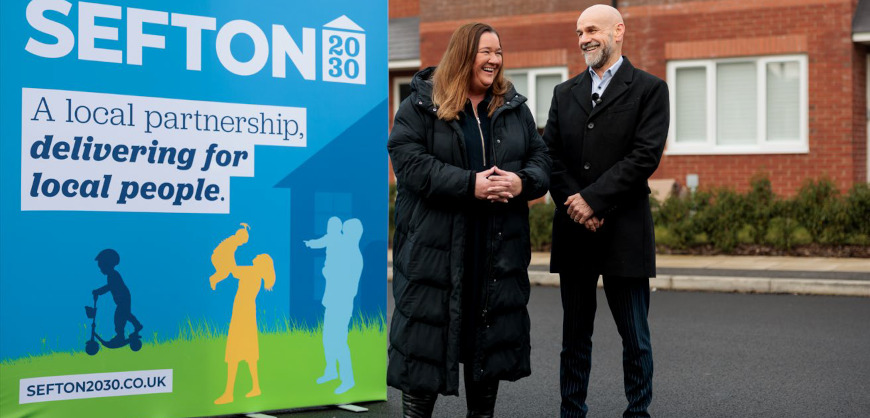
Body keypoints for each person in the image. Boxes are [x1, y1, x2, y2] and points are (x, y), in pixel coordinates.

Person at [387, 22, 551, 418]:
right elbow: (410, 163)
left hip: (496, 253)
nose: (495, 60)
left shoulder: (513, 108)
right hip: (435, 254)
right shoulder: (421, 104)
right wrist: (469, 184)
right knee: (424, 349)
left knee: (488, 351)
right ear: (463, 55)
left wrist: (521, 181)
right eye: (486, 52)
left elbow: (542, 161)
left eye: (499, 52)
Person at [542, 5, 669, 418]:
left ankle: (638, 412)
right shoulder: (564, 93)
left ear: (618, 31)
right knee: (574, 339)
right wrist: (577, 204)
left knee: (636, 338)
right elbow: (550, 156)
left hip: (624, 232)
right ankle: (571, 411)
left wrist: (594, 200)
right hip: (575, 232)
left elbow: (644, 156)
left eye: (592, 30)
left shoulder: (650, 89)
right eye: (580, 32)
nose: (584, 39)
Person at [305, 217, 365, 394]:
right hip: (333, 301)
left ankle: (348, 379)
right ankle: (331, 371)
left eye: (344, 232)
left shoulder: (353, 255)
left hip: (341, 304)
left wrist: (327, 271)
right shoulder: (346, 250)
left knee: (339, 340)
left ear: (352, 234)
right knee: (328, 337)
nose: (341, 235)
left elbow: (342, 280)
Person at [213, 252, 276, 404]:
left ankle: (229, 393)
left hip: (241, 316)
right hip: (248, 315)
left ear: (260, 263)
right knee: (250, 355)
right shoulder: (256, 275)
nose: (255, 257)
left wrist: (230, 250)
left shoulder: (251, 272)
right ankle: (256, 387)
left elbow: (233, 269)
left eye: (258, 257)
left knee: (233, 355)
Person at [93, 249, 142, 345]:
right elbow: (110, 287)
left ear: (108, 265)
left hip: (123, 299)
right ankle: (136, 326)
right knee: (125, 315)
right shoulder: (111, 275)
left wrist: (98, 291)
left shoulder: (113, 275)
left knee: (119, 318)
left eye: (102, 267)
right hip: (123, 299)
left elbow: (110, 287)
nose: (101, 270)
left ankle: (121, 336)